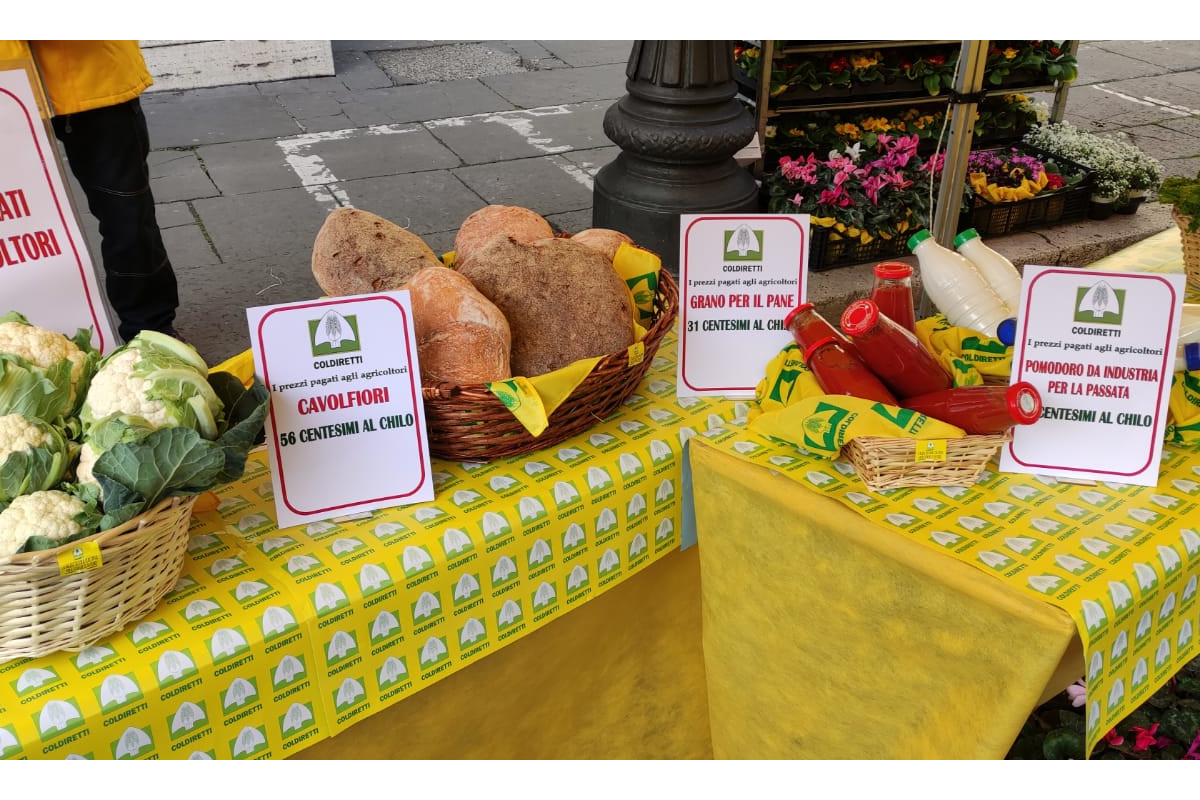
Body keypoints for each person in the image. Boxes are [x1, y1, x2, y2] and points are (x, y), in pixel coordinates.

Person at [0, 40, 180, 343]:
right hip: (11, 78)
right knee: (16, 228)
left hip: (92, 72)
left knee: (128, 219)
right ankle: (21, 343)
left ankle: (151, 333)